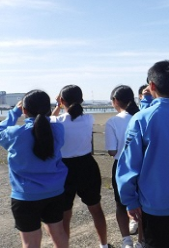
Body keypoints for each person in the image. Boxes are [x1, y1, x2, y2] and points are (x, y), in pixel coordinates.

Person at [116, 60, 169, 248]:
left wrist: (129, 200)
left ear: (152, 85)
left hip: (155, 203)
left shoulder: (142, 118)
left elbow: (128, 164)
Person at [0, 90, 69, 248]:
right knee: (58, 233)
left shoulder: (15, 134)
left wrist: (14, 113)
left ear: (24, 110)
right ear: (48, 108)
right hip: (55, 192)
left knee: (30, 242)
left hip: (26, 196)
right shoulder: (58, 129)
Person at [51, 85, 110, 248]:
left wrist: (57, 106)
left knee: (65, 214)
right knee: (96, 208)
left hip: (64, 168)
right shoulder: (88, 118)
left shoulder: (58, 121)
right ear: (81, 100)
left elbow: (50, 119)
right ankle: (103, 244)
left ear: (62, 100)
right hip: (87, 165)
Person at [105, 85, 142, 248]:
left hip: (121, 166)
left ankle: (126, 240)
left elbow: (112, 151)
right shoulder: (141, 116)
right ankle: (142, 240)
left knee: (121, 204)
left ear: (115, 101)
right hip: (142, 166)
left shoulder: (113, 121)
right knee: (142, 204)